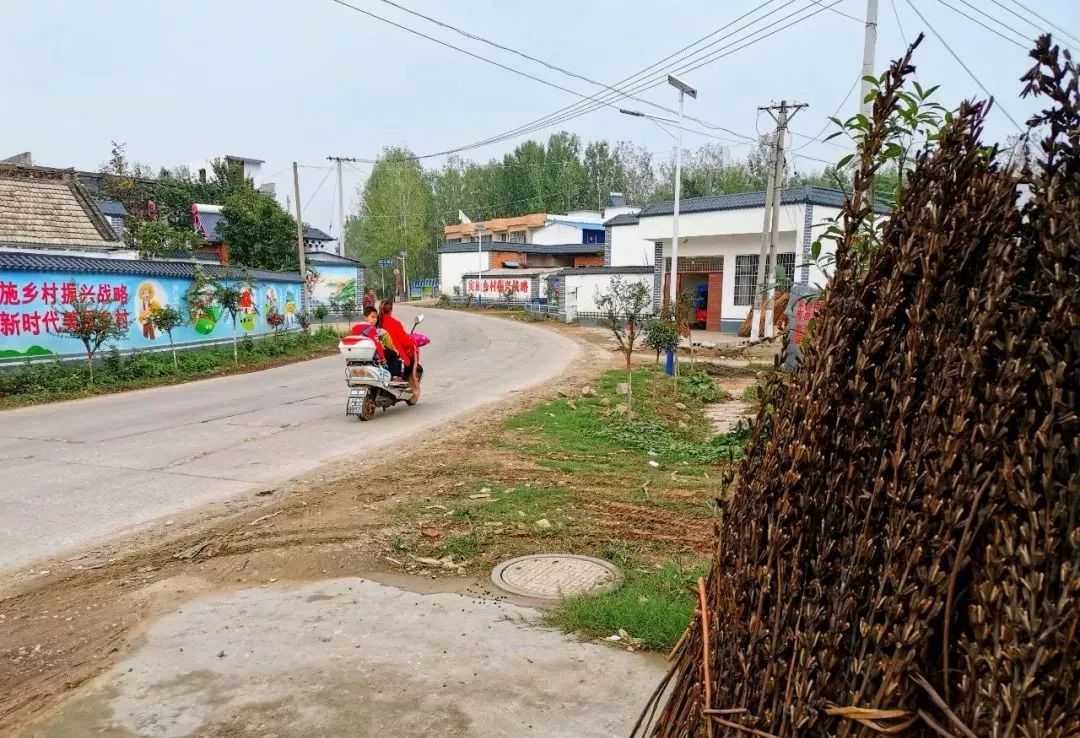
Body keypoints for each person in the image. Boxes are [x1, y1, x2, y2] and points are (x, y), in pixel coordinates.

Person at [377, 300, 420, 400]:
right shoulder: (395, 323)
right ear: (391, 309)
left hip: (379, 354)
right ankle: (403, 384)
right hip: (394, 353)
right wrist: (413, 342)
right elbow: (404, 341)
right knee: (409, 364)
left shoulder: (377, 323)